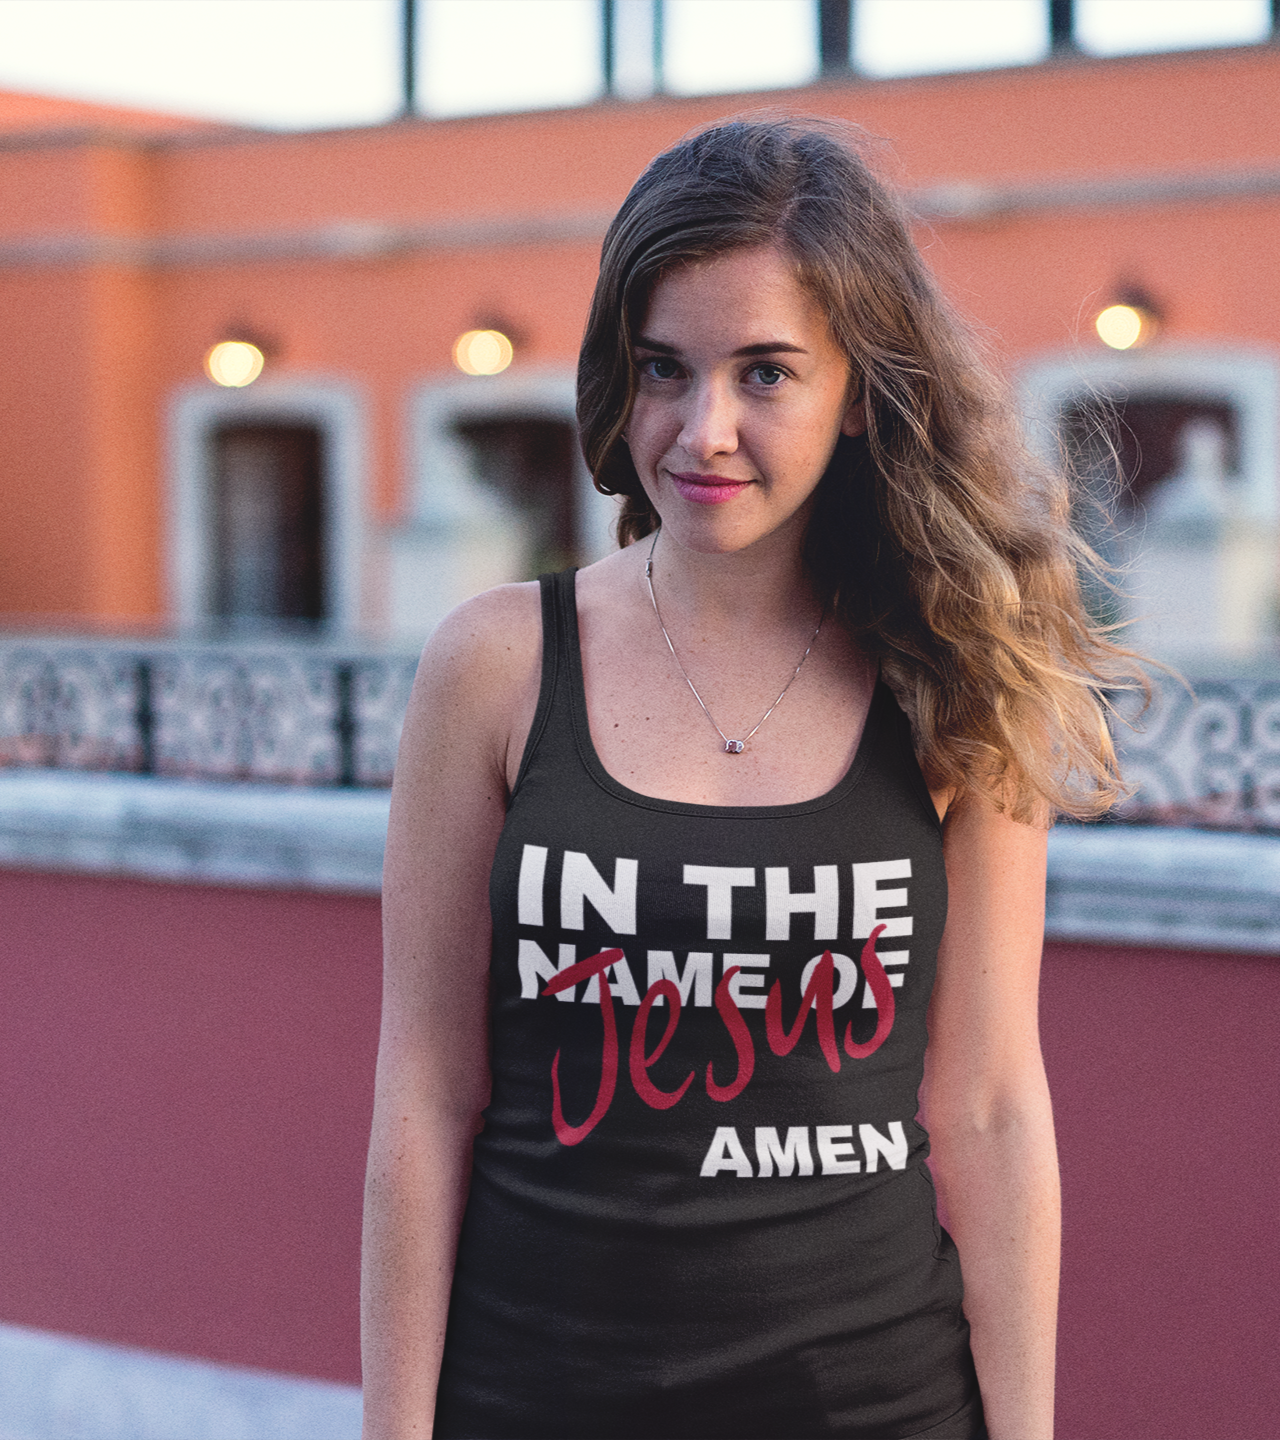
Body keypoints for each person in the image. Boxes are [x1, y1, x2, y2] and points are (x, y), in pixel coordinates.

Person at [361, 116, 1133, 1440]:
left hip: (873, 1401)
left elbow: (993, 1104)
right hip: (537, 1394)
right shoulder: (495, 667)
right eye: (665, 369)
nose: (703, 429)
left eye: (766, 374)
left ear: (858, 395)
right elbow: (427, 1096)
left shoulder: (952, 676)